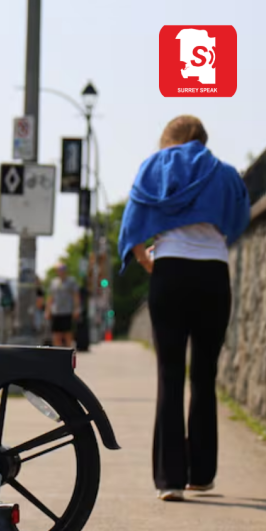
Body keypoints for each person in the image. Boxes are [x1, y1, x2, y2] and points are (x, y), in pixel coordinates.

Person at [118, 115, 250, 502]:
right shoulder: (225, 174)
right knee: (205, 376)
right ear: (202, 140)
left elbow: (132, 222)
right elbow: (240, 219)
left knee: (170, 374)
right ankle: (202, 475)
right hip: (213, 274)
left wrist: (145, 258)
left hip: (170, 271)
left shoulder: (154, 167)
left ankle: (170, 480)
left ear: (169, 140)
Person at [44, 264, 81, 347]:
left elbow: (76, 296)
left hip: (67, 311)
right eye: (59, 270)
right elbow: (50, 297)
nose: (61, 271)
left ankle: (68, 352)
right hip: (56, 312)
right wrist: (47, 310)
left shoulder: (71, 281)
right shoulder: (54, 282)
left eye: (63, 269)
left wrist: (77, 309)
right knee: (56, 335)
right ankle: (57, 352)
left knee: (68, 334)